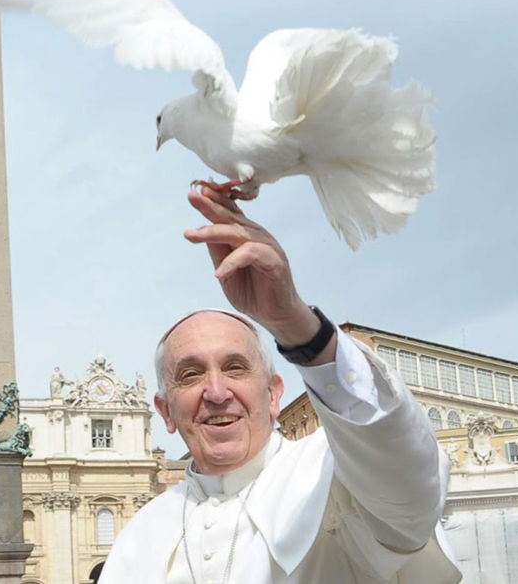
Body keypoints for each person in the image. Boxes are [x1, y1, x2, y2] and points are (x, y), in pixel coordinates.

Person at [99, 188, 460, 584]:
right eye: (190, 375)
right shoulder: (141, 533)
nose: (216, 393)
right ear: (165, 411)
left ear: (273, 395)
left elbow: (407, 487)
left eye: (235, 368)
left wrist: (293, 322)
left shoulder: (333, 473)